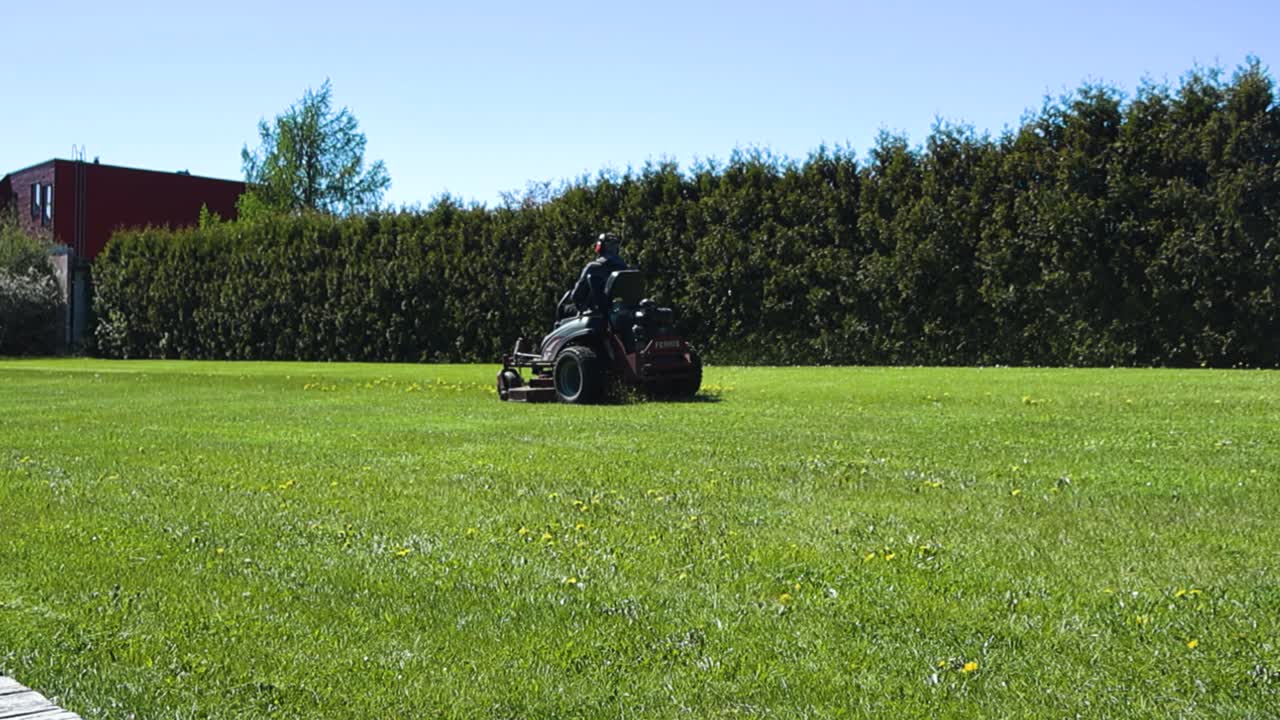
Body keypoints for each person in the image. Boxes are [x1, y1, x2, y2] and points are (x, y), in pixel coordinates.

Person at [563, 233, 628, 315]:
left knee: (563, 309)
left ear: (600, 247)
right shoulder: (626, 270)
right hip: (618, 313)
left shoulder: (592, 267)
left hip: (596, 312)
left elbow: (576, 296)